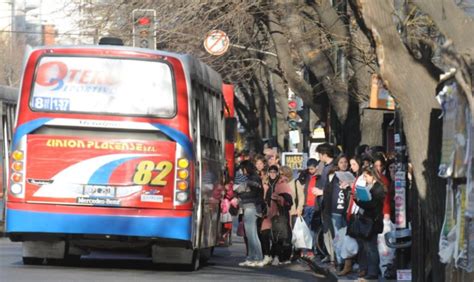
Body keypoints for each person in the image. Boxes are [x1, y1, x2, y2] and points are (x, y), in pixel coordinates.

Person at [353, 167, 386, 279]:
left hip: (372, 221)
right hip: (366, 219)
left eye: (366, 176)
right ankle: (368, 270)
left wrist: (358, 201)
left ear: (372, 176)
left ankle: (373, 272)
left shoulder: (378, 188)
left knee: (371, 248)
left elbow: (372, 205)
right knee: (366, 247)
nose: (365, 179)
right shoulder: (369, 187)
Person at [322, 154, 350, 268]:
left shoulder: (350, 175)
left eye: (345, 162)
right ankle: (340, 261)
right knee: (338, 237)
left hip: (347, 211)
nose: (344, 164)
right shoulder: (333, 176)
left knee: (347, 238)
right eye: (341, 162)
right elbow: (327, 193)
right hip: (335, 211)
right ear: (337, 164)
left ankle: (347, 261)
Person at [337, 155, 363, 276]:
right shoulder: (356, 177)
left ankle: (359, 266)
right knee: (349, 238)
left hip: (359, 211)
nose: (351, 167)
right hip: (352, 210)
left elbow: (361, 193)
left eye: (353, 164)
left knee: (358, 241)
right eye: (351, 164)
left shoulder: (361, 177)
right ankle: (348, 265)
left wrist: (351, 186)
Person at [236, 160, 265, 267]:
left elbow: (254, 194)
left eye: (242, 169)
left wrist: (241, 196)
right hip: (250, 207)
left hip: (252, 207)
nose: (241, 171)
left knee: (252, 234)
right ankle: (252, 257)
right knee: (250, 234)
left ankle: (257, 257)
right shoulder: (252, 178)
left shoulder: (253, 179)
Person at [268, 166, 294, 265]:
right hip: (274, 213)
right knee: (276, 236)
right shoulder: (274, 183)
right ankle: (276, 256)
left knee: (282, 236)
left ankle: (281, 257)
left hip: (282, 213)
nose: (280, 176)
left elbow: (289, 201)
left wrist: (279, 198)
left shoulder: (284, 185)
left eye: (282, 174)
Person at [315, 143, 336, 264]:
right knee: (326, 230)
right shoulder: (324, 166)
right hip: (323, 203)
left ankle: (334, 255)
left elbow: (331, 187)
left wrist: (320, 191)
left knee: (331, 231)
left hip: (329, 203)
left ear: (324, 154)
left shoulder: (332, 168)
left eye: (320, 154)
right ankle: (329, 253)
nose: (319, 157)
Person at [299, 158, 322, 259]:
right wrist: (303, 173)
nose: (310, 171)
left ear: (316, 167)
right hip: (306, 205)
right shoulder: (306, 176)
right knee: (305, 228)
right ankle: (305, 249)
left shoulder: (319, 177)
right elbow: (299, 181)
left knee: (313, 229)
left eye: (312, 169)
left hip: (315, 205)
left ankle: (311, 249)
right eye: (309, 169)